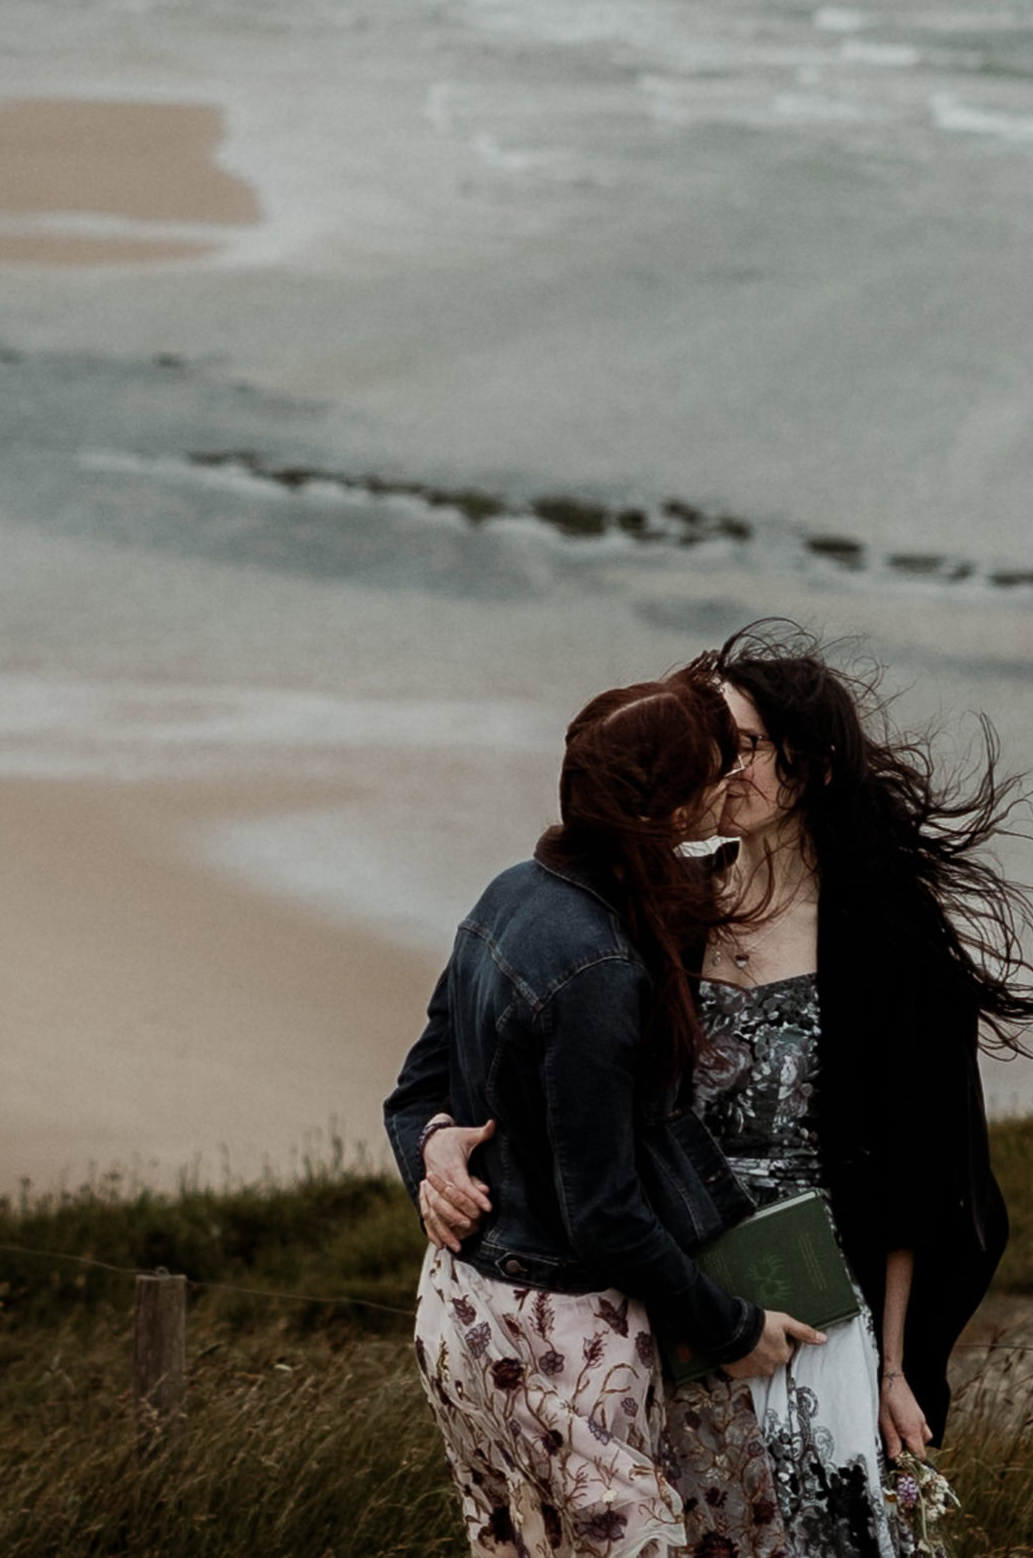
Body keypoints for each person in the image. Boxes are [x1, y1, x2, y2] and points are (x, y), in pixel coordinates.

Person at [422, 623, 1033, 1558]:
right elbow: (530, 1072)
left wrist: (896, 1369)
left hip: (812, 1303)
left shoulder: (887, 939)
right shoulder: (661, 894)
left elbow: (920, 1173)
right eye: (711, 747)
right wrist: (437, 1145)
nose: (717, 767)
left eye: (739, 748)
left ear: (812, 770)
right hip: (663, 1285)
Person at [385, 664, 832, 1558]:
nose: (729, 785)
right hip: (558, 1343)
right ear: (672, 817)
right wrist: (733, 1327)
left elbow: (413, 1090)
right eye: (716, 771)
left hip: (457, 1314)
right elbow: (605, 1213)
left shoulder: (513, 890)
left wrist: (430, 1143)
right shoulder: (597, 969)